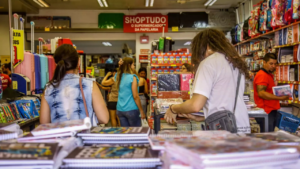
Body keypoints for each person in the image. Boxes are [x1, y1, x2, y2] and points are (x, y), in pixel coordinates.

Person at [164, 28, 251, 133]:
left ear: (205, 46)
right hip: (242, 126)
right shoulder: (236, 63)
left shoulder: (209, 63)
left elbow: (195, 105)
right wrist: (203, 117)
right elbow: (226, 103)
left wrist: (173, 108)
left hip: (223, 132)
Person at [40, 44, 109, 124]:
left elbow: (44, 124)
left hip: (59, 136)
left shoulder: (49, 88)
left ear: (56, 64)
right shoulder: (89, 84)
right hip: (83, 135)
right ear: (79, 62)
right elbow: (104, 119)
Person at [253, 53, 289, 132]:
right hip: (266, 111)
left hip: (270, 110)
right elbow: (261, 93)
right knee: (267, 137)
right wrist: (279, 98)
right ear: (264, 62)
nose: (273, 66)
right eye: (271, 64)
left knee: (269, 136)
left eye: (274, 64)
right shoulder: (262, 75)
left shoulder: (268, 75)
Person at [116, 57, 146, 126]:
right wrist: (141, 111)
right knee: (135, 133)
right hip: (131, 109)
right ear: (129, 65)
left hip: (120, 109)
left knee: (126, 133)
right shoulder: (132, 77)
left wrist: (120, 66)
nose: (134, 66)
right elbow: (135, 96)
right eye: (133, 64)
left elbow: (119, 71)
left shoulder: (118, 76)